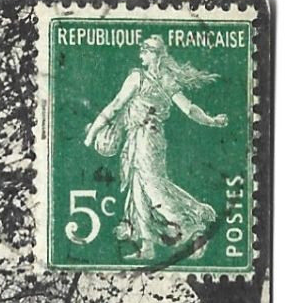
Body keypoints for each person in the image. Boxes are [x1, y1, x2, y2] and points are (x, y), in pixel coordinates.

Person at [83, 35, 229, 261]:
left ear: (156, 55)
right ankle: (147, 246)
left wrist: (92, 133)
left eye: (146, 49)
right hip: (141, 138)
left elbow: (115, 106)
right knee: (138, 188)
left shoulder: (139, 78)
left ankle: (193, 225)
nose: (141, 53)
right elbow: (188, 108)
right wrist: (211, 120)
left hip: (147, 139)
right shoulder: (161, 79)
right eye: (142, 49)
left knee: (152, 187)